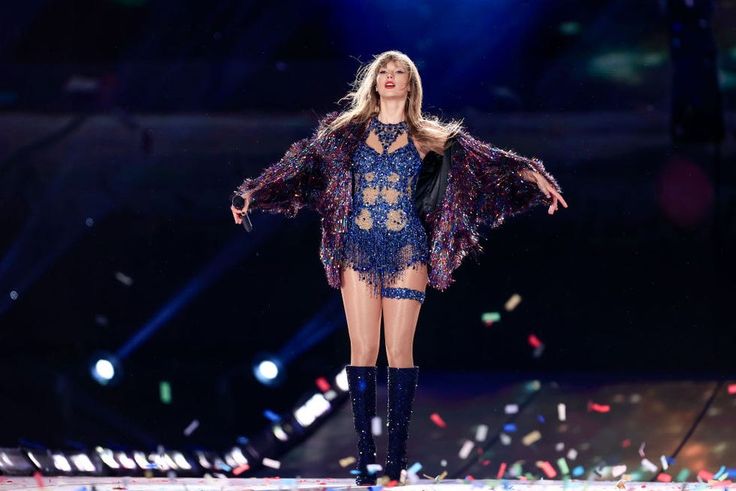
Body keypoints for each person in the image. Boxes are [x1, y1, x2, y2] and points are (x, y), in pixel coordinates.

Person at [230, 50, 568, 486]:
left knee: (399, 351)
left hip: (409, 248)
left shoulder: (433, 138)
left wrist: (533, 175)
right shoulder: (341, 136)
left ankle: (395, 461)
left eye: (399, 73)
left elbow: (491, 163)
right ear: (373, 82)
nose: (390, 78)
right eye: (384, 72)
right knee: (362, 352)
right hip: (357, 248)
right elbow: (295, 167)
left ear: (411, 85)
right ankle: (366, 457)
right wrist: (254, 192)